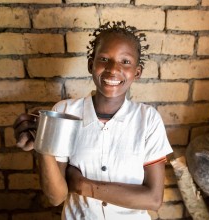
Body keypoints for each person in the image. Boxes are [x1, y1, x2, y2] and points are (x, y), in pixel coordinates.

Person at [13, 21, 173, 220]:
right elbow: (56, 197)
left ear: (137, 73)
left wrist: (83, 185)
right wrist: (42, 143)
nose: (113, 69)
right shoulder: (64, 112)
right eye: (104, 59)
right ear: (91, 65)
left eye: (125, 61)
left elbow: (153, 199)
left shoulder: (148, 119)